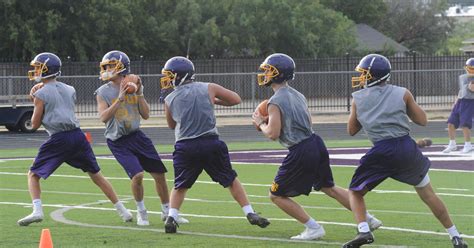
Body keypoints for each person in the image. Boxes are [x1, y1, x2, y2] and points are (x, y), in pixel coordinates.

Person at [252, 53, 381, 241]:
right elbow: (306, 121)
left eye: (268, 70)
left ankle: (313, 228)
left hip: (300, 149)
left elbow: (272, 133)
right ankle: (368, 218)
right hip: (315, 142)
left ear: (277, 73)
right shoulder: (298, 95)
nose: (264, 73)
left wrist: (260, 122)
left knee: (276, 195)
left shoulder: (274, 101)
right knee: (329, 187)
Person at [343, 54, 468, 248]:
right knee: (428, 194)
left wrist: (367, 108)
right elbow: (422, 120)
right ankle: (455, 235)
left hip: (381, 151)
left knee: (355, 192)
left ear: (373, 75)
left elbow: (351, 130)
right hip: (405, 147)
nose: (361, 77)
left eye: (364, 74)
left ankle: (364, 231)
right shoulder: (403, 92)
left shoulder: (358, 98)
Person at [18, 52, 133, 226]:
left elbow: (34, 124)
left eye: (37, 68)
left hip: (59, 138)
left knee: (33, 175)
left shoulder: (41, 94)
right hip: (78, 136)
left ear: (47, 69)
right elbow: (58, 101)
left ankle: (37, 210)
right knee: (96, 175)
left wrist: (35, 99)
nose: (34, 70)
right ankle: (123, 211)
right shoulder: (70, 89)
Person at [161, 56, 270, 233]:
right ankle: (249, 212)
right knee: (231, 180)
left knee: (180, 185)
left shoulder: (169, 98)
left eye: (168, 75)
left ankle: (172, 217)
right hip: (210, 142)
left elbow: (171, 125)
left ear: (179, 75)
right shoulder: (209, 87)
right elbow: (236, 99)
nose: (166, 79)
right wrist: (215, 100)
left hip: (185, 146)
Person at [95, 50, 188, 226]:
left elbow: (145, 114)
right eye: (105, 66)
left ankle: (167, 212)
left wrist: (138, 93)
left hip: (137, 136)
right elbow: (103, 117)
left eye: (110, 65)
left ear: (121, 67)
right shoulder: (103, 92)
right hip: (118, 140)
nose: (106, 69)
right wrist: (120, 99)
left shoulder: (133, 82)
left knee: (159, 174)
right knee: (137, 175)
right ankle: (141, 211)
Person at [443, 58, 474, 154]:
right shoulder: (463, 77)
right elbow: (462, 90)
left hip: (469, 102)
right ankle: (452, 144)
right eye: (470, 68)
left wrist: (472, 86)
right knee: (451, 123)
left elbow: (471, 89)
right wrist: (456, 101)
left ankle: (468, 145)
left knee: (464, 124)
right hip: (460, 101)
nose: (471, 70)